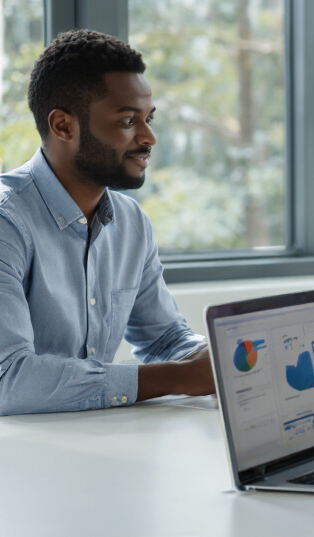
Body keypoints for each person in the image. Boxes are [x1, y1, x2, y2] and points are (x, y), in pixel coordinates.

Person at [0, 30, 215, 414]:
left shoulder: (131, 222)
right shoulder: (7, 223)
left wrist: (218, 361)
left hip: (105, 444)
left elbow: (164, 339)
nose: (149, 137)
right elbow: (9, 380)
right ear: (63, 126)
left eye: (148, 119)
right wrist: (178, 377)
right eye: (129, 120)